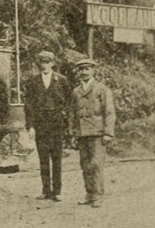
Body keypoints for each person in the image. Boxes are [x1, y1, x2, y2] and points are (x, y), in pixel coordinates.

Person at [69, 58, 116, 208]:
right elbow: (72, 114)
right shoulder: (76, 91)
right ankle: (89, 194)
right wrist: (73, 133)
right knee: (85, 165)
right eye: (81, 70)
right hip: (82, 133)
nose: (83, 72)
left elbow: (109, 112)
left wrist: (108, 132)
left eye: (87, 69)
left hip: (97, 132)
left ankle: (98, 196)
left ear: (93, 70)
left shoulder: (102, 89)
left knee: (96, 164)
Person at [24, 51, 70, 201]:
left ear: (52, 63)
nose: (44, 65)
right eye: (42, 62)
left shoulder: (61, 80)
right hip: (40, 123)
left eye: (47, 62)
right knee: (43, 158)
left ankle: (57, 192)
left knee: (56, 158)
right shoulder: (33, 81)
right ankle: (46, 190)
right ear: (39, 64)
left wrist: (65, 120)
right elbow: (29, 105)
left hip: (57, 123)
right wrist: (30, 126)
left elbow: (69, 102)